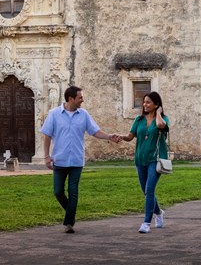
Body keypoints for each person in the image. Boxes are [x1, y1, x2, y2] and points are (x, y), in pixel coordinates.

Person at [41, 85, 119, 233]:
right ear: (71, 99)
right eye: (80, 97)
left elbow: (95, 132)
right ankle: (71, 213)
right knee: (58, 191)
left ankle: (69, 223)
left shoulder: (84, 115)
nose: (82, 100)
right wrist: (46, 156)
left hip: (76, 160)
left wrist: (109, 137)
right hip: (59, 160)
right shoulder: (54, 114)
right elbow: (47, 136)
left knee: (73, 191)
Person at [118, 91, 170, 234]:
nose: (145, 104)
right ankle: (159, 212)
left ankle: (146, 222)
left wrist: (158, 113)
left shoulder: (163, 118)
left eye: (148, 102)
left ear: (156, 104)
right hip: (140, 159)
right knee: (146, 191)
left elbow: (160, 125)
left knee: (149, 190)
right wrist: (121, 137)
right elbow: (130, 136)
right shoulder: (138, 120)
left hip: (155, 159)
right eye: (144, 102)